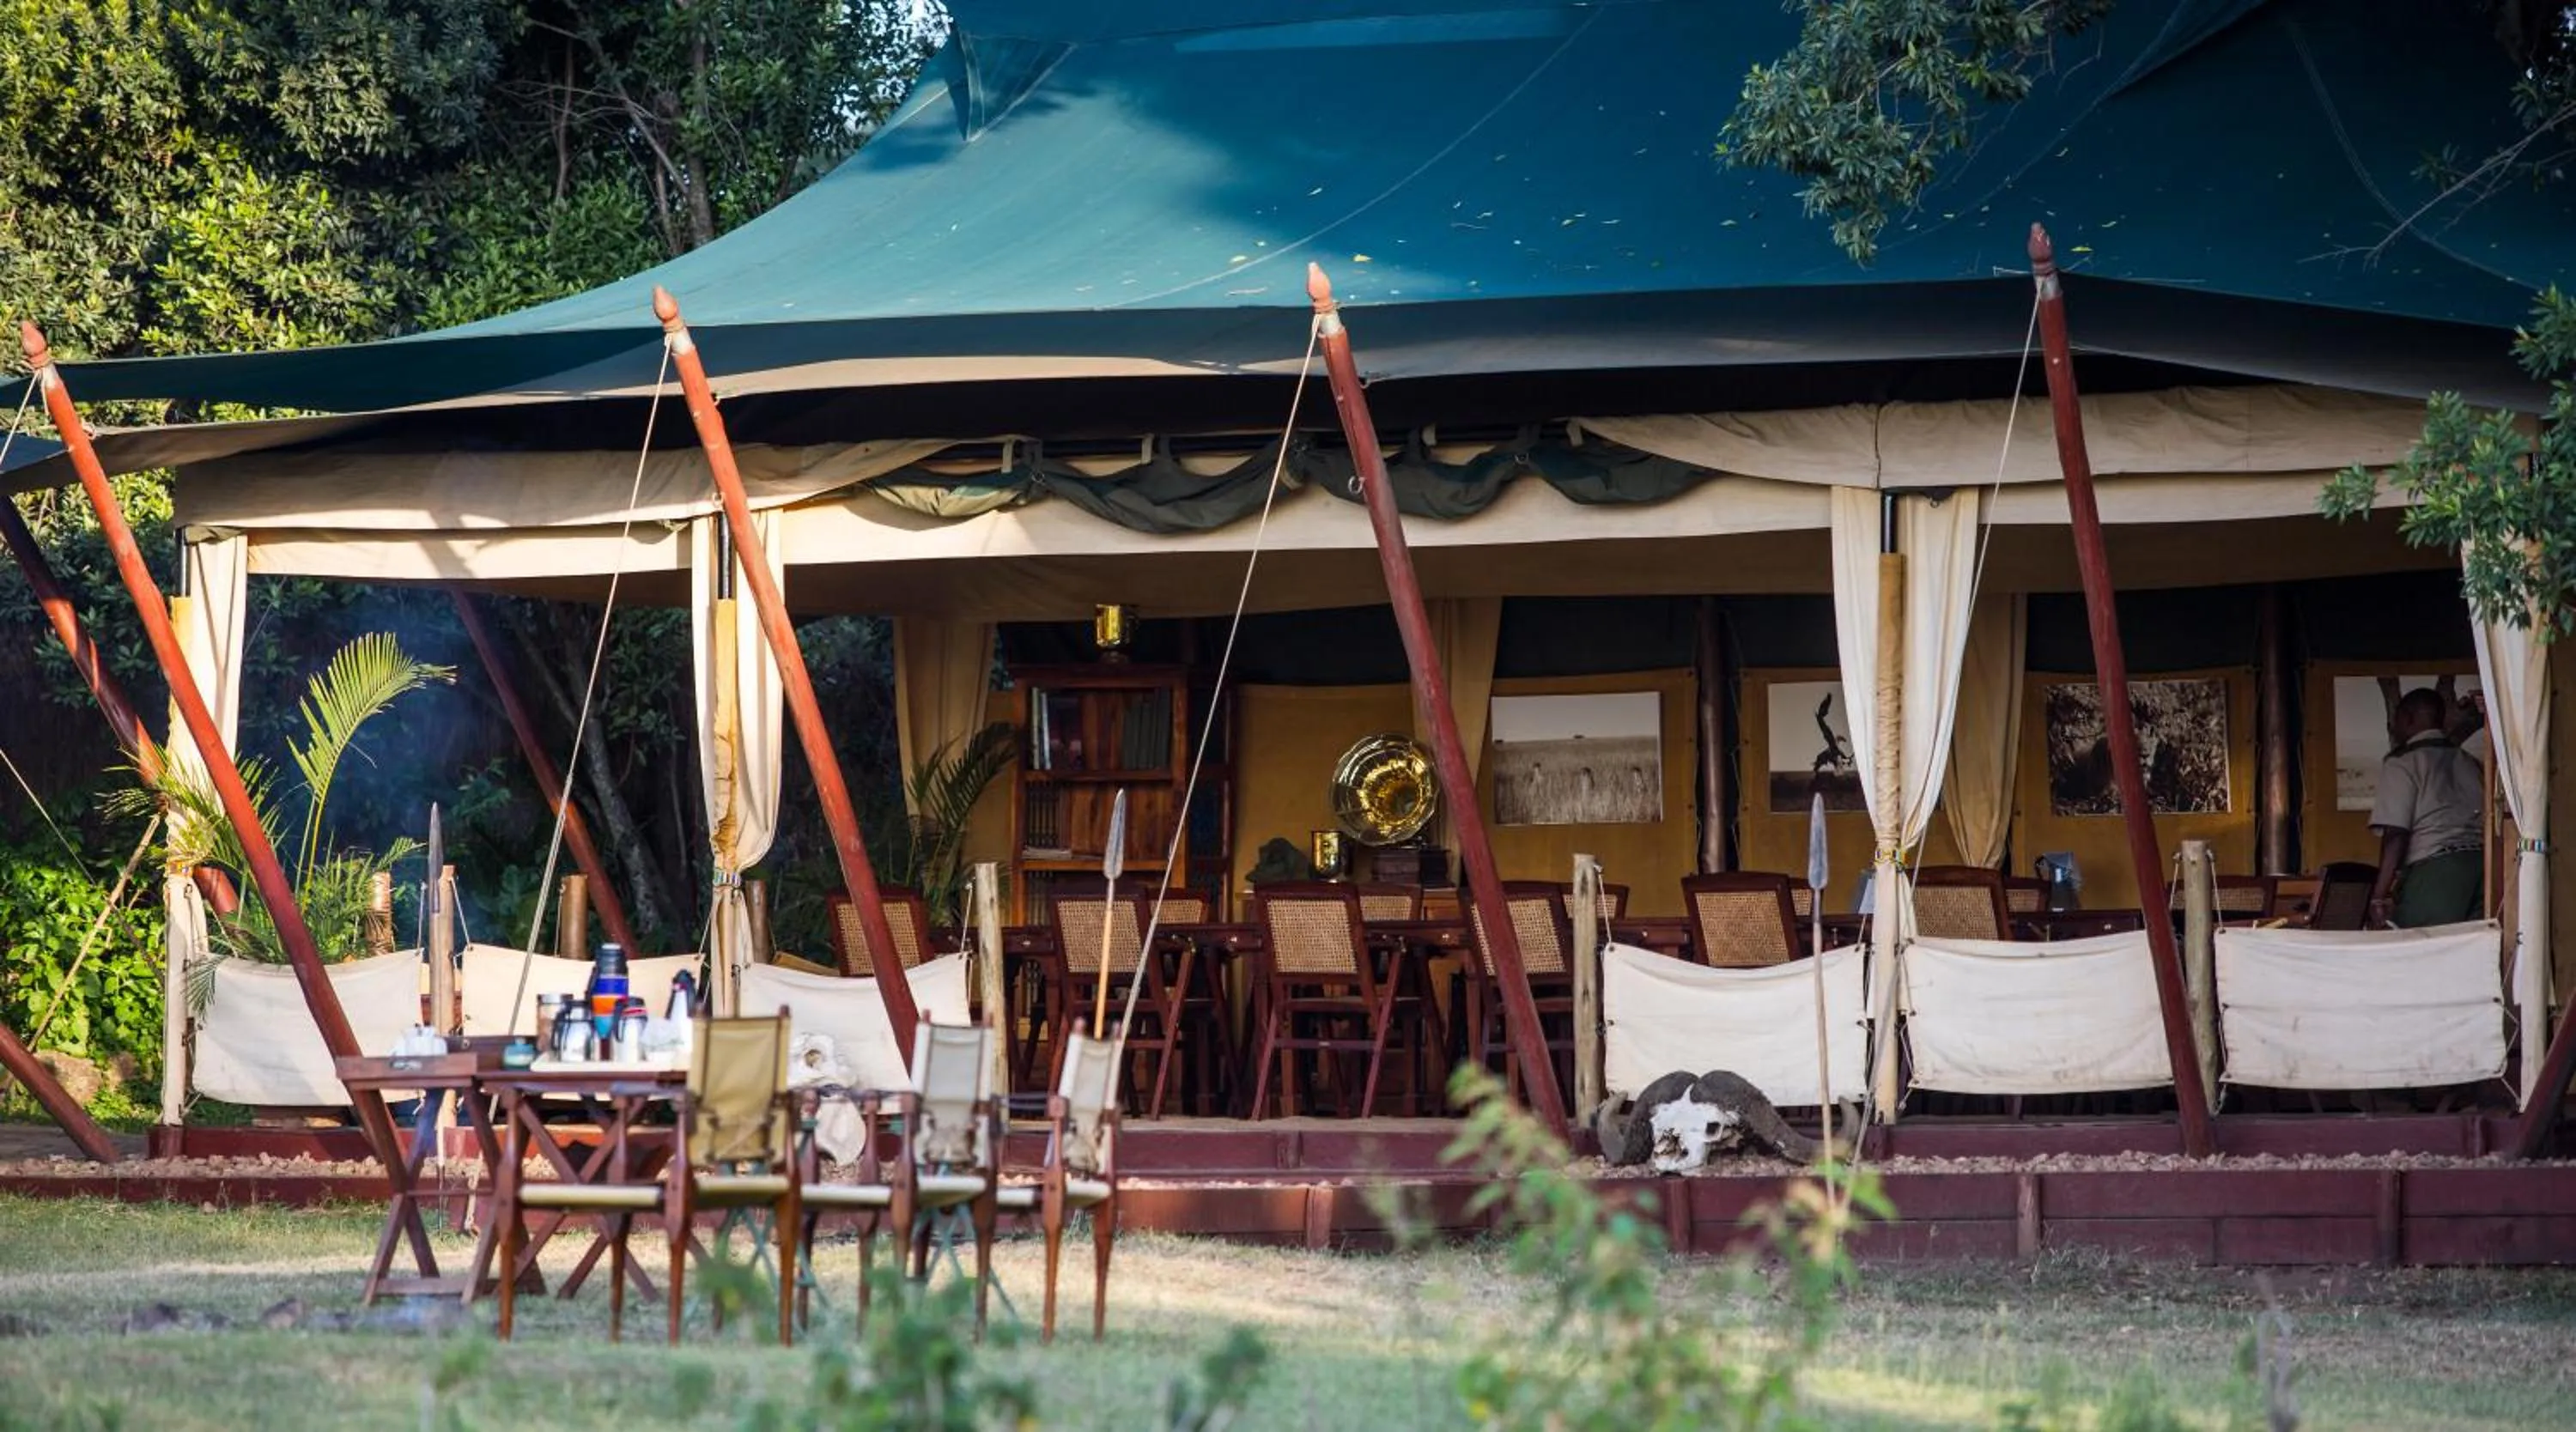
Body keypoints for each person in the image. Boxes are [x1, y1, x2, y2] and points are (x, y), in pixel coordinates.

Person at [2366, 688, 2486, 928]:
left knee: (2421, 944)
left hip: (2437, 871)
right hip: (2482, 866)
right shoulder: (2470, 762)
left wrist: (2378, 895)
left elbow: (2396, 834)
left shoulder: (2402, 762)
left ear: (2407, 718)